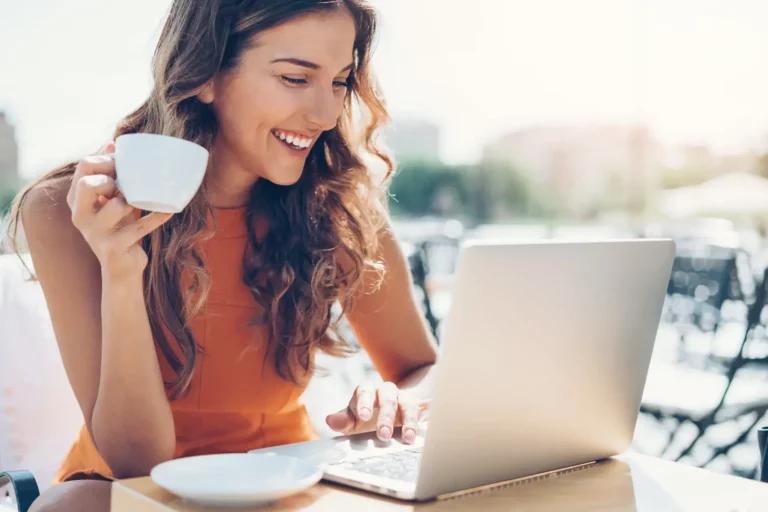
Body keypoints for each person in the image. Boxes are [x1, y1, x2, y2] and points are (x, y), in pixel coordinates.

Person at [8, 1, 438, 510]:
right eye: (295, 79)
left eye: (340, 82)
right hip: (136, 494)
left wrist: (399, 400)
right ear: (205, 74)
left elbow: (420, 366)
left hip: (291, 482)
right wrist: (121, 269)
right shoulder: (69, 209)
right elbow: (137, 463)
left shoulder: (337, 208)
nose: (326, 114)